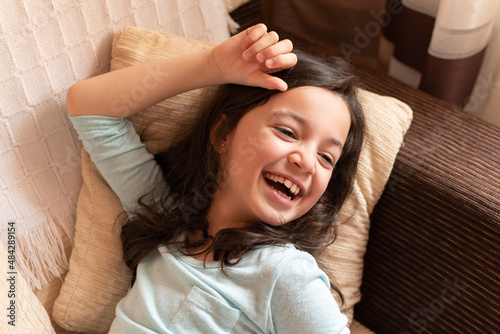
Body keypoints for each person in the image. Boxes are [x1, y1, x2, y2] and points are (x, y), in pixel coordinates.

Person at [66, 23, 364, 334]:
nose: (306, 162)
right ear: (223, 134)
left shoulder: (285, 274)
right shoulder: (167, 218)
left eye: (327, 157)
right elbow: (88, 109)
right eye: (287, 132)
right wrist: (213, 66)